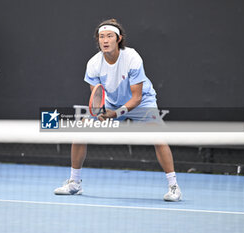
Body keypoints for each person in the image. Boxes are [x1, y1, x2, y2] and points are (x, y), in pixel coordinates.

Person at [54, 19, 182, 201]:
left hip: (142, 101)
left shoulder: (132, 57)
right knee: (80, 129)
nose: (105, 40)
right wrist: (101, 113)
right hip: (112, 103)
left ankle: (174, 186)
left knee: (157, 136)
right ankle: (74, 183)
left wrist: (116, 114)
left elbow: (136, 97)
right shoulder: (93, 64)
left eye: (109, 36)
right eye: (101, 37)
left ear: (118, 39)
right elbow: (97, 97)